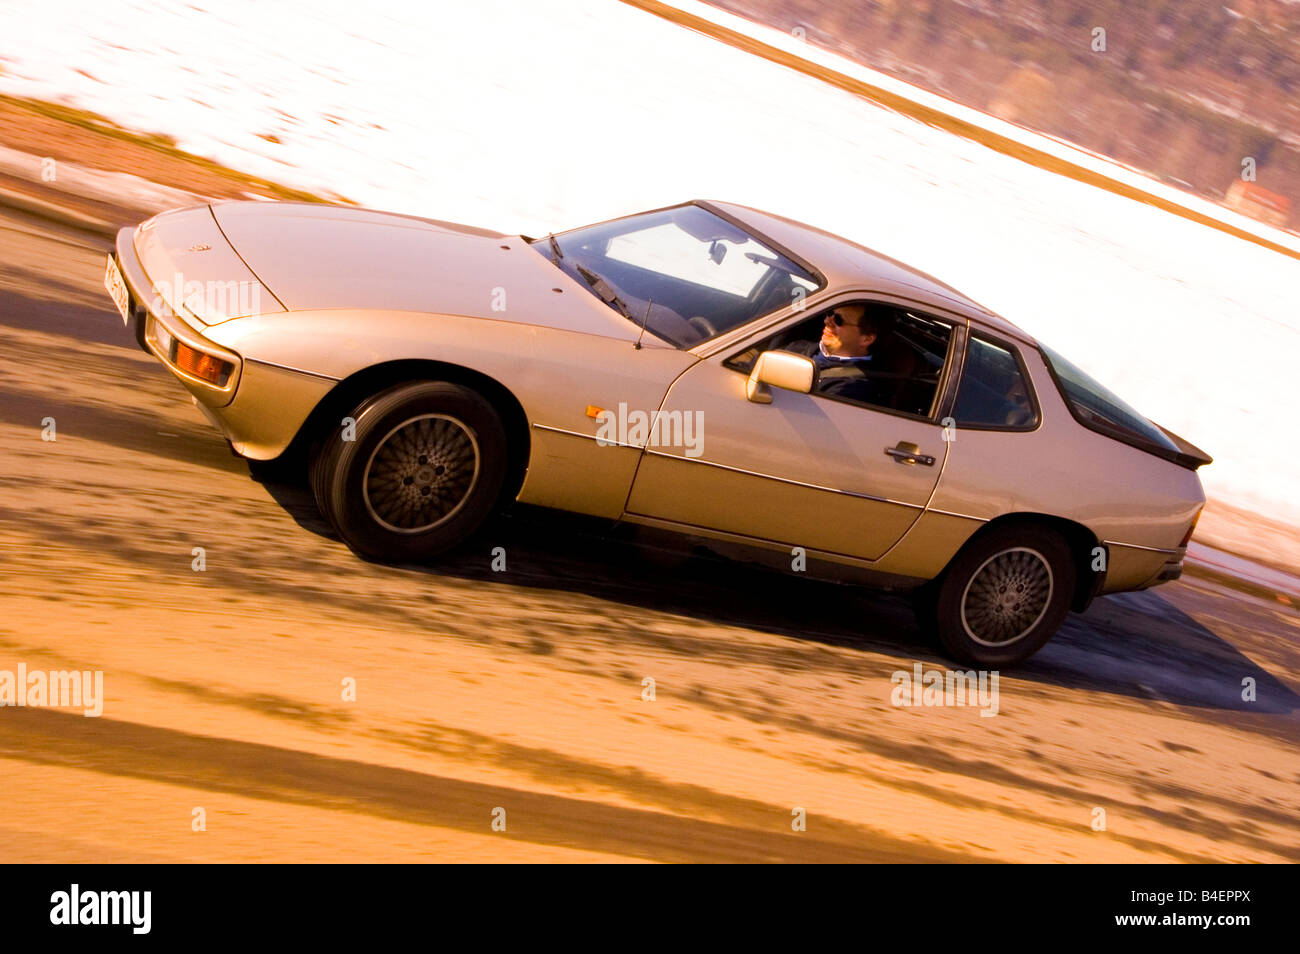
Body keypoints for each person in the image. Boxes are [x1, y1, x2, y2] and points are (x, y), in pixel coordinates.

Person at [781, 303, 882, 405]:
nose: (827, 321)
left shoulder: (850, 388)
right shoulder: (800, 345)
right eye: (830, 314)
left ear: (866, 339)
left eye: (839, 320)